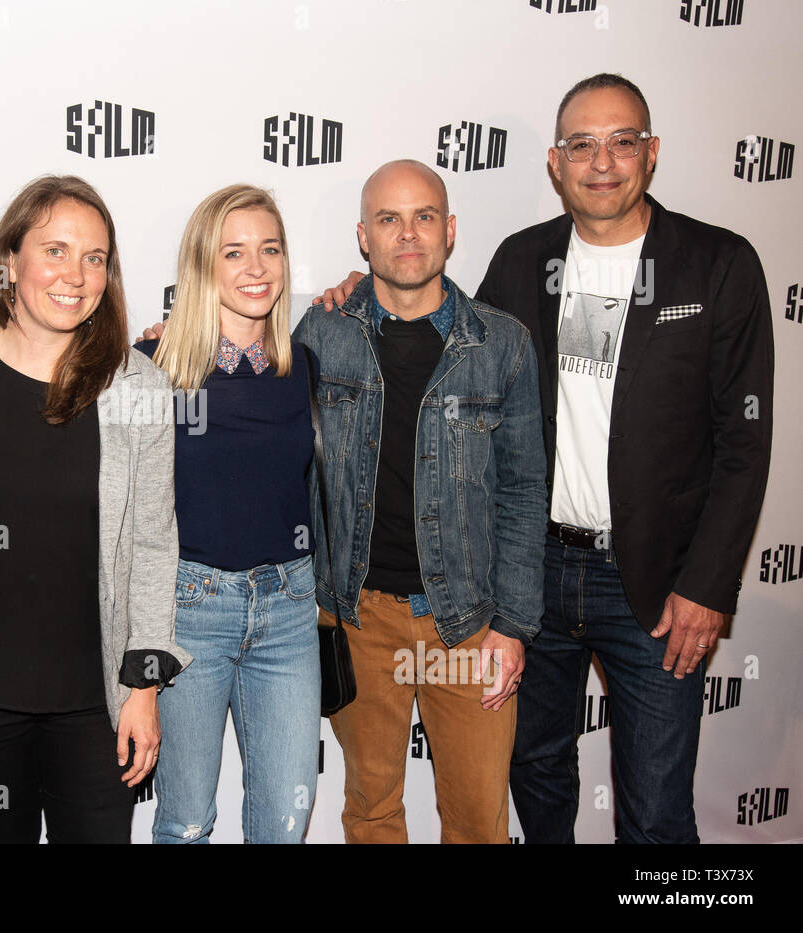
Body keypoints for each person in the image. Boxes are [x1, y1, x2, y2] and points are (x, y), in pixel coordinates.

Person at [474, 74, 773, 843]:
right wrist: (357, 295)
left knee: (656, 812)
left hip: (660, 586)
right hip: (534, 575)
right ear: (554, 161)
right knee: (535, 773)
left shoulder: (718, 263)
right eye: (582, 144)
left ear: (652, 152)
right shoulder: (521, 262)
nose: (602, 161)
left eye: (622, 140)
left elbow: (744, 441)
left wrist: (708, 585)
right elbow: (454, 361)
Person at [0, 175, 189, 844]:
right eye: (56, 250)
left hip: (93, 704)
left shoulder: (137, 385)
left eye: (95, 257)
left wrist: (144, 688)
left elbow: (153, 541)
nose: (77, 274)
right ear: (10, 262)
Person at [294, 160, 546, 843]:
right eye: (388, 219)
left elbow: (526, 492)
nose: (408, 234)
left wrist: (514, 625)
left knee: (476, 820)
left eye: (424, 216)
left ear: (450, 230)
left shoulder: (503, 345)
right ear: (363, 238)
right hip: (358, 618)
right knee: (371, 813)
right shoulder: (321, 335)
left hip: (468, 623)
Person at [135, 185, 320, 844]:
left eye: (269, 249)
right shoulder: (151, 370)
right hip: (190, 613)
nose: (256, 267)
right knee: (185, 822)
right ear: (201, 265)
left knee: (286, 821)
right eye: (233, 251)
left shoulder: (305, 366)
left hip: (291, 609)